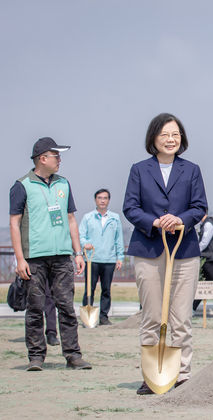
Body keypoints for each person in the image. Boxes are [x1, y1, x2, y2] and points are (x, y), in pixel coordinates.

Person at [123, 113, 207, 395]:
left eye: (176, 135)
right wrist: (156, 222)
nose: (171, 140)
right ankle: (151, 376)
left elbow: (199, 207)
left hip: (184, 251)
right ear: (153, 139)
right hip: (149, 250)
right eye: (165, 135)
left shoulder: (192, 170)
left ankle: (182, 375)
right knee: (151, 316)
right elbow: (130, 208)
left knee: (181, 318)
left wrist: (180, 219)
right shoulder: (139, 169)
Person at [9, 137, 92, 371]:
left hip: (62, 257)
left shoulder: (64, 184)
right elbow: (14, 224)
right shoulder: (21, 185)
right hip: (34, 258)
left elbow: (70, 219)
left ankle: (73, 355)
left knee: (66, 306)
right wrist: (20, 258)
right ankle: (36, 357)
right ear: (42, 158)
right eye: (56, 156)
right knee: (35, 308)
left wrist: (77, 253)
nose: (60, 160)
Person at [79, 188, 125, 325]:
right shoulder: (88, 217)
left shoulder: (115, 218)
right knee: (89, 289)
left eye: (105, 198)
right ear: (95, 200)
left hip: (109, 259)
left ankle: (103, 316)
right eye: (100, 198)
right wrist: (84, 244)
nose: (102, 201)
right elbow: (81, 235)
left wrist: (120, 257)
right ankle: (87, 317)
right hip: (92, 259)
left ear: (108, 200)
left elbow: (119, 239)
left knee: (106, 289)